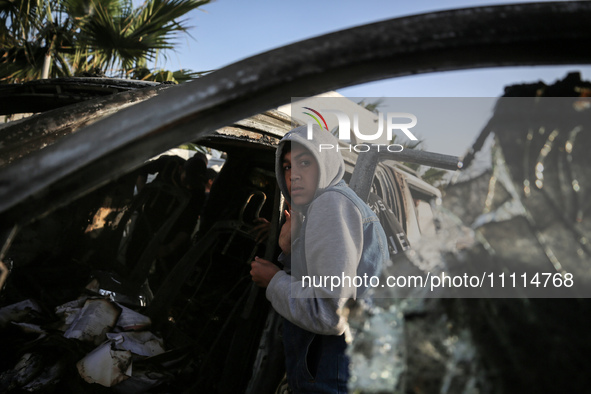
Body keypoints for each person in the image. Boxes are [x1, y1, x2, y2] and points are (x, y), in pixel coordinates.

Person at [250, 124, 389, 393]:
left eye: (305, 162)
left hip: (333, 374)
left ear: (325, 162)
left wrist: (274, 280)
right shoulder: (328, 205)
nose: (294, 176)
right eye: (288, 166)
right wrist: (290, 249)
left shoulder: (331, 203)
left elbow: (330, 314)